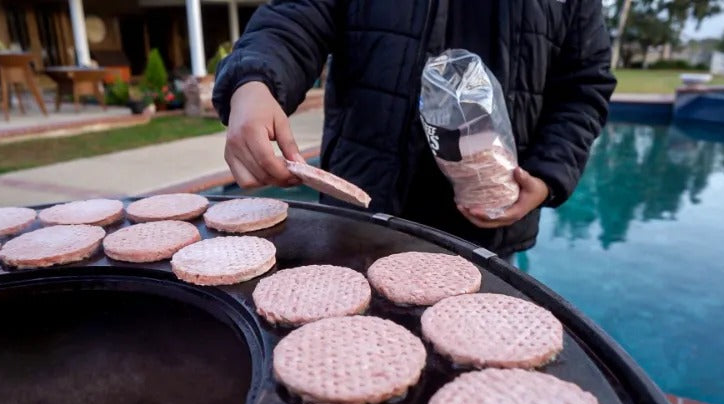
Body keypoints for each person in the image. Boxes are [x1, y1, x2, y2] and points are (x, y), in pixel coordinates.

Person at [212, 0, 616, 259]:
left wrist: (546, 176)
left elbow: (584, 86)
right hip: (362, 225)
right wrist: (254, 82)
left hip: (488, 235)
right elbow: (294, 18)